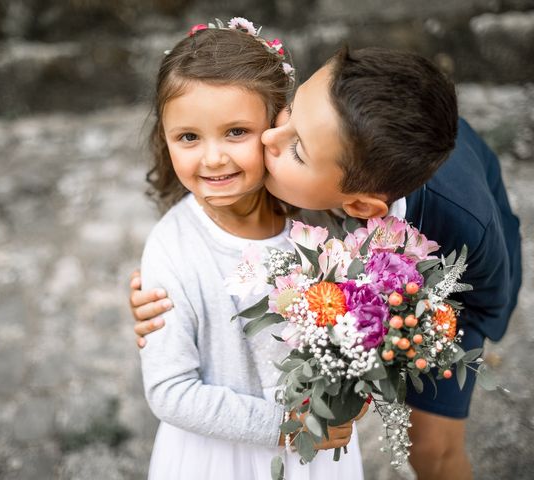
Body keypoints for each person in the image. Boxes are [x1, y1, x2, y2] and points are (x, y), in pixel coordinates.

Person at [131, 46, 522, 479]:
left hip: (451, 292)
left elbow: (490, 301)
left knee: (430, 450)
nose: (266, 139)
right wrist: (171, 304)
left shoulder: (462, 222)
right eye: (290, 111)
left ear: (357, 205)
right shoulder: (335, 108)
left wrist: (403, 343)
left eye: (297, 149)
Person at [138, 20, 365, 480]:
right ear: (164, 136)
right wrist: (285, 425)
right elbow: (169, 390)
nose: (213, 157)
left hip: (316, 452)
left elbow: (361, 320)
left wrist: (356, 391)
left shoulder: (318, 220)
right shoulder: (172, 249)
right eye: (188, 137)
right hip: (220, 458)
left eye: (236, 131)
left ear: (279, 124)